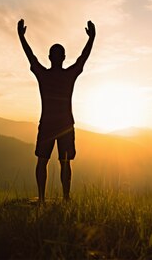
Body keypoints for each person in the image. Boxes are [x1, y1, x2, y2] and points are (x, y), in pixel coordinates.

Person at [17, 18, 95, 203]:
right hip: (66, 124)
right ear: (63, 57)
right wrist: (92, 38)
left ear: (50, 57)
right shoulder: (69, 75)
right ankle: (66, 198)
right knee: (65, 163)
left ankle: (42, 199)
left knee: (42, 161)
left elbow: (31, 57)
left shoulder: (43, 74)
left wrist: (21, 37)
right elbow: (82, 59)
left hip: (47, 124)